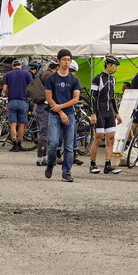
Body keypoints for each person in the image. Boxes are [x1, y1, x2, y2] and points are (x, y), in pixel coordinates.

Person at [44, 49, 83, 182]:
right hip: (54, 115)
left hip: (69, 115)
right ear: (59, 61)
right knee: (53, 143)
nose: (66, 62)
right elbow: (49, 98)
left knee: (69, 146)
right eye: (64, 60)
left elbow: (75, 99)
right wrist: (59, 112)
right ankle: (50, 163)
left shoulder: (74, 79)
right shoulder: (51, 78)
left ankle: (66, 172)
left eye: (68, 60)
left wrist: (61, 107)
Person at [89, 57, 122, 175]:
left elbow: (112, 98)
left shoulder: (113, 79)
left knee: (111, 139)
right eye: (115, 65)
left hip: (109, 113)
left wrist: (117, 113)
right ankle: (92, 164)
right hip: (99, 112)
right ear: (108, 65)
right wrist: (93, 113)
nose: (116, 68)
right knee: (98, 139)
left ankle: (108, 165)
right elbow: (93, 97)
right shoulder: (98, 78)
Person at [2, 59, 33, 152]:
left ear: (12, 66)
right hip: (23, 101)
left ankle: (14, 144)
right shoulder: (27, 74)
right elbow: (31, 86)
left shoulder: (8, 75)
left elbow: (4, 89)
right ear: (21, 66)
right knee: (21, 124)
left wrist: (8, 94)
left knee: (13, 124)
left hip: (12, 101)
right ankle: (20, 144)